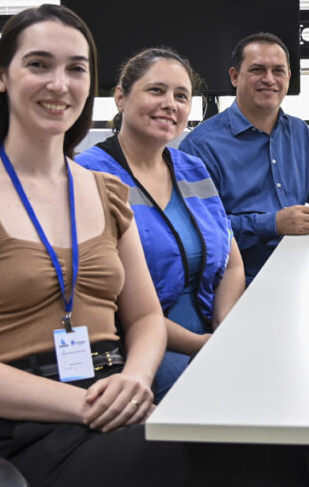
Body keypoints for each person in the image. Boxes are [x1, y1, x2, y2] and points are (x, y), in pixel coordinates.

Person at [0, 4, 309, 487]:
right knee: (259, 454)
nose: (59, 83)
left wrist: (136, 380)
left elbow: (143, 317)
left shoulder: (104, 193)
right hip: (32, 429)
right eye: (39, 64)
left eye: (76, 69)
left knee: (287, 443)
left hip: (118, 398)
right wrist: (85, 403)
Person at [76, 47, 245, 402]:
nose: (170, 104)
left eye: (181, 96)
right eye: (156, 90)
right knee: (229, 399)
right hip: (139, 345)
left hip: (210, 331)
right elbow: (116, 302)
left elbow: (232, 263)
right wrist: (201, 344)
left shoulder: (192, 168)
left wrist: (224, 328)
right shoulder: (88, 176)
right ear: (120, 98)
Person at [180, 32, 309, 283]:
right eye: (257, 70)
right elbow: (199, 230)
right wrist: (273, 224)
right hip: (240, 281)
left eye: (278, 71)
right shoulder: (200, 146)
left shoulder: (299, 132)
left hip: (301, 268)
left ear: (288, 77)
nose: (269, 79)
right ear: (234, 76)